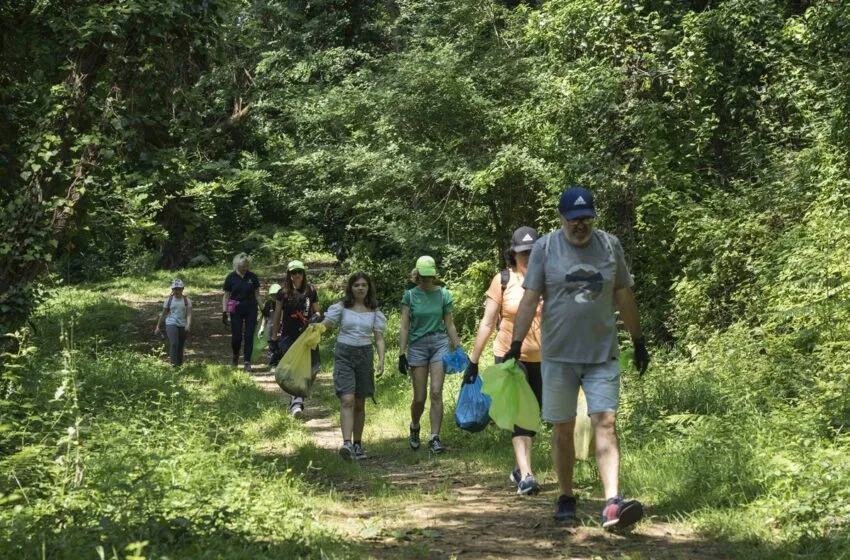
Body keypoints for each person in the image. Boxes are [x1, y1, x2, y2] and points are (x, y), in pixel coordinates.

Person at [507, 186, 650, 529]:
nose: (579, 226)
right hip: (557, 355)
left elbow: (624, 296)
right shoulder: (545, 248)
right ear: (561, 218)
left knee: (606, 422)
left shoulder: (610, 245)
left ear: (593, 218)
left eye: (586, 219)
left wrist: (639, 339)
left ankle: (612, 502)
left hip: (602, 353)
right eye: (573, 219)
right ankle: (566, 495)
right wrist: (515, 344)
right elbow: (529, 300)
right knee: (563, 428)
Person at [465, 226, 543, 495]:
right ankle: (528, 476)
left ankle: (519, 468)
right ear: (513, 253)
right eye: (523, 253)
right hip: (509, 357)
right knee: (523, 413)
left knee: (535, 415)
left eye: (533, 252)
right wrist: (473, 361)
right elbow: (487, 323)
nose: (528, 257)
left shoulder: (548, 279)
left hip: (544, 358)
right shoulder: (503, 280)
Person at [318, 272, 386, 461]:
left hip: (364, 355)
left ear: (368, 288)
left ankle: (358, 443)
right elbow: (328, 323)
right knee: (347, 399)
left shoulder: (374, 310)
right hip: (344, 354)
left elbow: (379, 339)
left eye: (364, 285)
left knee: (360, 402)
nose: (361, 288)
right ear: (351, 288)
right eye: (357, 285)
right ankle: (346, 443)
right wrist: (315, 330)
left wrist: (381, 360)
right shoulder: (342, 307)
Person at [398, 256, 461, 454]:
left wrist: (458, 346)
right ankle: (415, 426)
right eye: (423, 276)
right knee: (419, 397)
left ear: (434, 274)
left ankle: (434, 437)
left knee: (436, 392)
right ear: (417, 275)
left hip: (439, 343)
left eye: (429, 276)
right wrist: (402, 353)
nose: (426, 280)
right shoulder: (410, 296)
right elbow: (405, 326)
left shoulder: (443, 295)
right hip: (417, 346)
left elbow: (449, 324)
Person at [272, 260, 322, 417]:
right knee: (293, 369)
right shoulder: (283, 292)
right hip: (288, 335)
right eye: (294, 273)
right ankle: (297, 402)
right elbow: (277, 315)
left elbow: (318, 311)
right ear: (289, 275)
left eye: (299, 272)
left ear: (303, 273)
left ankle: (297, 398)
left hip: (307, 335)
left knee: (312, 368)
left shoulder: (311, 290)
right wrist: (274, 337)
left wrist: (316, 318)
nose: (297, 275)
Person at [223, 253, 261, 372]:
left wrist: (263, 308)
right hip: (236, 309)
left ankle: (247, 362)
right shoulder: (231, 278)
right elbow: (226, 296)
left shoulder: (252, 277)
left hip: (251, 308)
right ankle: (235, 357)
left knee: (249, 336)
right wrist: (224, 311)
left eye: (247, 265)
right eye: (243, 266)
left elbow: (257, 295)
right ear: (237, 265)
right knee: (236, 337)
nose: (245, 268)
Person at [154, 279, 192, 367]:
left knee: (180, 345)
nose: (176, 291)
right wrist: (157, 326)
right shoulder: (168, 300)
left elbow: (189, 315)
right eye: (175, 289)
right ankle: (173, 365)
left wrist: (188, 324)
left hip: (182, 324)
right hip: (171, 323)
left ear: (182, 289)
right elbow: (163, 314)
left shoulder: (187, 300)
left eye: (179, 289)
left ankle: (179, 365)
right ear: (172, 290)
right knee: (174, 343)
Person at [259, 283, 282, 364]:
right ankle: (273, 361)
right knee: (272, 346)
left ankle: (279, 360)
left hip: (281, 329)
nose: (275, 297)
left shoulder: (284, 303)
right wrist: (262, 328)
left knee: (280, 346)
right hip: (270, 329)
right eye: (273, 295)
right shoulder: (268, 304)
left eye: (276, 295)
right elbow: (265, 317)